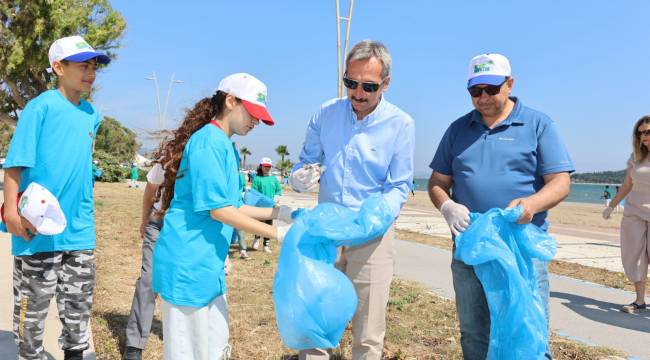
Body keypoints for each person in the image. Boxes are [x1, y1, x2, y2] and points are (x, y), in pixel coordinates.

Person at [427, 53, 573, 359]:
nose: (483, 98)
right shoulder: (457, 129)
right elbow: (438, 182)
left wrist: (532, 203)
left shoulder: (538, 124)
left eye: (491, 89)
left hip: (521, 251)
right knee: (475, 333)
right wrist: (447, 207)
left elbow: (560, 182)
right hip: (469, 249)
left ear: (510, 84)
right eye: (475, 91)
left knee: (528, 330)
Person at [151, 73, 294, 360]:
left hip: (207, 266)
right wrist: (277, 234)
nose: (255, 122)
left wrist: (280, 213)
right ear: (230, 101)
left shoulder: (225, 145)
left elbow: (233, 205)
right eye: (252, 113)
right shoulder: (208, 142)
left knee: (214, 349)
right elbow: (219, 211)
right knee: (187, 352)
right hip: (188, 263)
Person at [289, 40, 415, 360]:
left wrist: (375, 217)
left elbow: (399, 185)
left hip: (372, 235)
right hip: (326, 231)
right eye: (351, 82)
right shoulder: (326, 113)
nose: (358, 93)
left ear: (386, 83)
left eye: (368, 86)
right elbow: (307, 161)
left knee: (368, 328)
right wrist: (301, 176)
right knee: (316, 319)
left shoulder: (401, 124)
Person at [3, 35, 110, 360]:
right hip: (37, 229)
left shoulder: (91, 113)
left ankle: (74, 354)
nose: (90, 73)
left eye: (94, 67)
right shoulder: (41, 107)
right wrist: (10, 212)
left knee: (77, 307)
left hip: (78, 230)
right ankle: (29, 354)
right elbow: (15, 164)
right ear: (58, 67)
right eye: (83, 66)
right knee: (32, 311)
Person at [602, 115, 650, 314]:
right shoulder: (636, 157)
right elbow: (627, 185)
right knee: (634, 256)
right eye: (640, 133)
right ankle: (640, 301)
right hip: (633, 213)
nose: (643, 136)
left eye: (647, 132)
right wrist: (611, 206)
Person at [122, 161, 165, 359]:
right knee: (148, 280)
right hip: (158, 222)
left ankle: (180, 331)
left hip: (186, 228)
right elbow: (150, 191)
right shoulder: (170, 156)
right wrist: (144, 221)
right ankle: (134, 343)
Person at [251, 157, 282, 253]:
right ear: (261, 166)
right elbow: (254, 192)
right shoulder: (257, 179)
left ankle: (266, 246)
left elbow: (278, 190)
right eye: (265, 166)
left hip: (271, 206)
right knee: (259, 224)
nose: (267, 168)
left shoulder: (273, 179)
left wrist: (276, 198)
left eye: (269, 166)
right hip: (260, 206)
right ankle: (256, 239)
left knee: (268, 225)